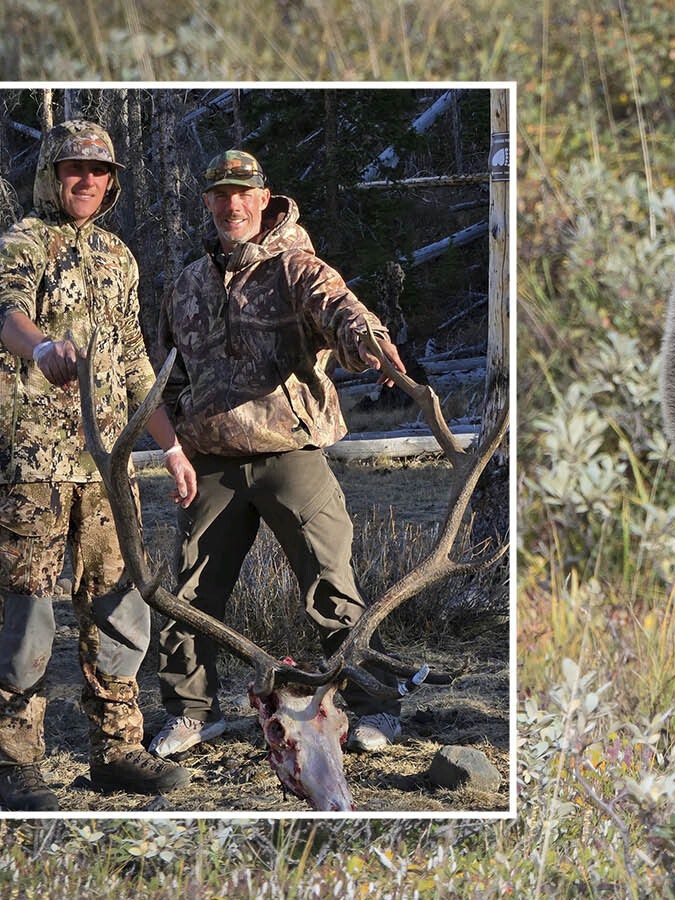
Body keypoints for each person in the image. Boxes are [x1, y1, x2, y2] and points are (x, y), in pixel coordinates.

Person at [148, 149, 410, 759]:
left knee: (330, 587)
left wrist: (369, 340)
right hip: (209, 457)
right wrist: (175, 442)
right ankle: (192, 714)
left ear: (265, 198)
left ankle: (377, 707)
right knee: (192, 595)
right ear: (208, 201)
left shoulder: (297, 267)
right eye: (220, 193)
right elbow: (162, 372)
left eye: (243, 192)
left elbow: (340, 310)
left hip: (290, 452)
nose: (231, 204)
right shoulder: (186, 284)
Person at [0, 119, 199, 812]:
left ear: (112, 182)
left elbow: (134, 360)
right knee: (29, 615)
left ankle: (116, 750)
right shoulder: (21, 243)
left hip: (108, 471)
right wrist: (40, 348)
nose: (87, 181)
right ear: (51, 172)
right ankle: (17, 766)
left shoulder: (118, 256)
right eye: (75, 168)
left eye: (100, 172)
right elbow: (4, 312)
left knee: (119, 607)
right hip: (33, 468)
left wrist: (171, 444)